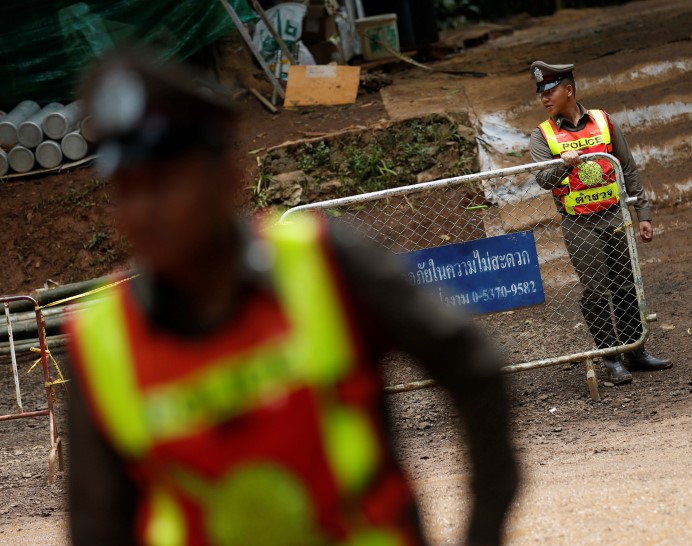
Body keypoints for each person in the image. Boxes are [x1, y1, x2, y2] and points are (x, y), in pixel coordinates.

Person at [67, 51, 518, 546]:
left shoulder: (323, 261)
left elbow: (473, 369)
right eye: (124, 189)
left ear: (227, 178)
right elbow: (97, 525)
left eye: (164, 182)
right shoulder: (101, 337)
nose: (142, 211)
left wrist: (482, 532)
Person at [528, 61, 671, 385]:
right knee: (595, 289)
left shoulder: (605, 122)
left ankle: (636, 350)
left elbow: (628, 168)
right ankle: (611, 358)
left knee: (625, 283)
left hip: (614, 215)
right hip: (579, 223)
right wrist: (563, 166)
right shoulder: (543, 134)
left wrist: (643, 213)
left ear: (569, 89)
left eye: (549, 90)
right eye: (541, 93)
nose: (544, 98)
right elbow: (542, 180)